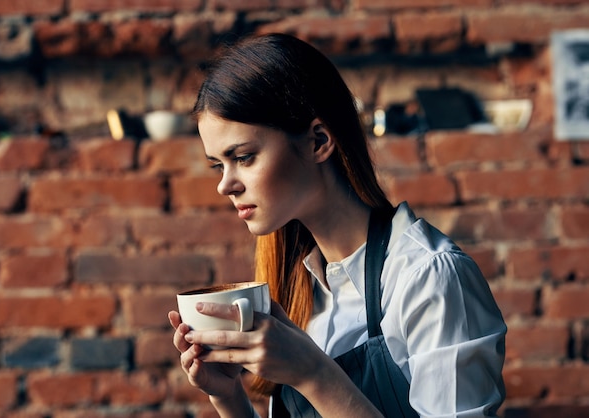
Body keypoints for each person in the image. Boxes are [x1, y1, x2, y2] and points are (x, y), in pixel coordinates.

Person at [168, 33, 506, 418]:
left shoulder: (428, 278)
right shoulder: (301, 283)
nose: (225, 184)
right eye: (218, 164)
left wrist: (314, 374)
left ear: (318, 141)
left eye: (243, 157)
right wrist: (228, 398)